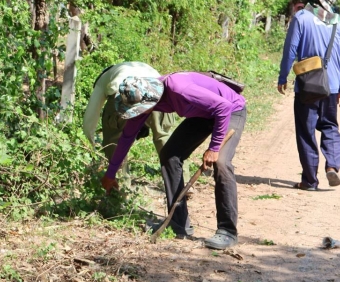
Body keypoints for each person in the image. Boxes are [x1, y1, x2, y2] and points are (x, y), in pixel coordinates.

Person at [100, 72, 246, 250]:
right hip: (203, 114)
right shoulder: (142, 100)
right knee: (170, 154)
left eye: (138, 109)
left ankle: (227, 231)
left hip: (231, 110)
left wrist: (214, 148)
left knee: (221, 162)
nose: (136, 113)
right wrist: (111, 174)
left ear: (150, 100)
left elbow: (223, 107)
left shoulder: (178, 88)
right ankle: (178, 223)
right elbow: (126, 138)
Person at [277, 0, 340, 191]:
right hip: (331, 86)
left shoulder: (301, 17)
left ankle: (310, 181)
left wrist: (283, 77)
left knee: (306, 131)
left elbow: (290, 50)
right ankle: (332, 165)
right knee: (330, 126)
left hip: (307, 84)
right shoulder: (339, 22)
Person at [83, 62, 176, 183]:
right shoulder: (138, 67)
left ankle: (119, 183)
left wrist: (92, 144)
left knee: (114, 138)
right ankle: (180, 181)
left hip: (126, 96)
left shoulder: (103, 81)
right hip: (157, 92)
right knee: (164, 137)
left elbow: (90, 116)